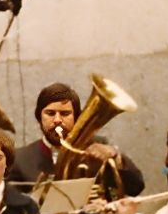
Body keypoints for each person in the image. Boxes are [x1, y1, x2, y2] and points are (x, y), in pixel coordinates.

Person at [11, 81, 145, 196]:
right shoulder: (20, 159)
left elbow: (136, 187)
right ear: (39, 117)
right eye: (50, 113)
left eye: (65, 114)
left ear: (77, 118)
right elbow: (11, 206)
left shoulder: (99, 147)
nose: (57, 120)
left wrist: (116, 157)